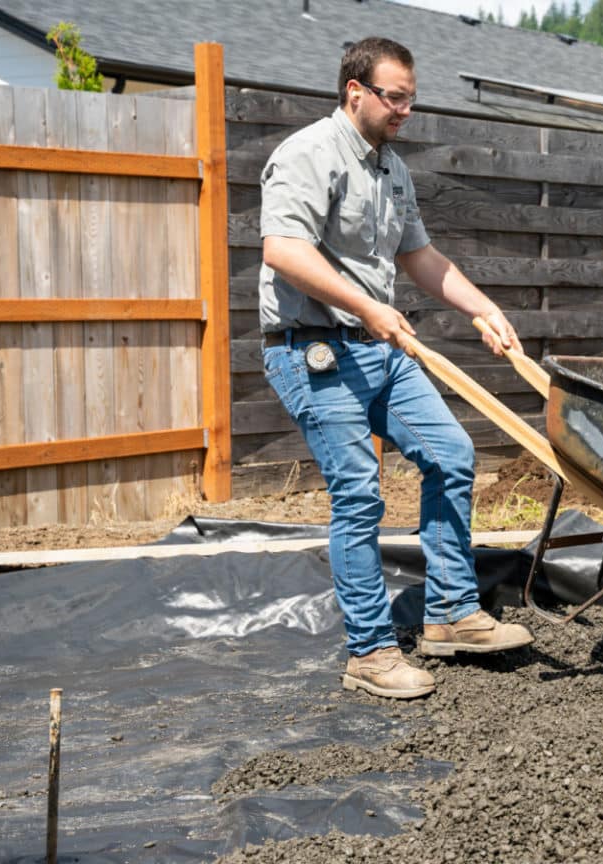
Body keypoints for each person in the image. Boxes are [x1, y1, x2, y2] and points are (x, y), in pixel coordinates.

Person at [258, 36, 532, 699]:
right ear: (356, 92)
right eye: (395, 97)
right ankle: (371, 653)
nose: (406, 110)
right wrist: (366, 307)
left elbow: (421, 257)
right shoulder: (306, 155)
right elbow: (283, 251)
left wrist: (482, 308)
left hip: (379, 347)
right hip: (313, 347)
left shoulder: (390, 169)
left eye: (411, 97)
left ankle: (449, 614)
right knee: (359, 494)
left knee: (452, 454)